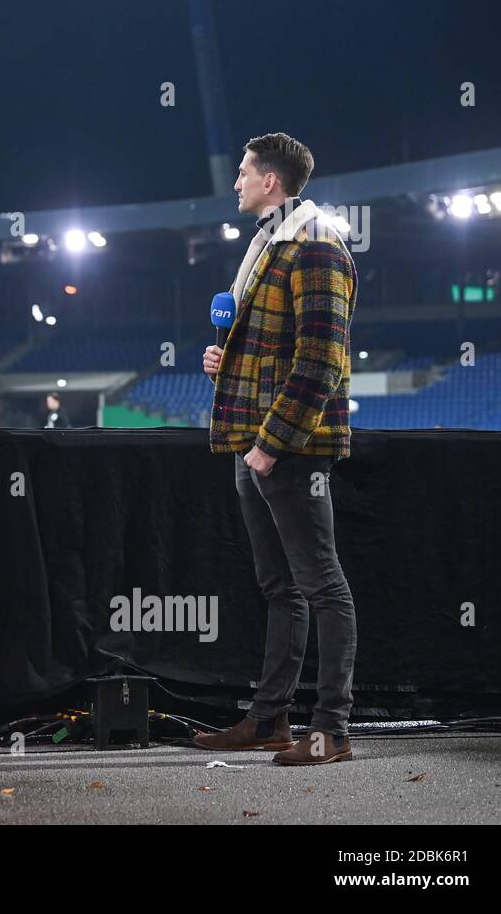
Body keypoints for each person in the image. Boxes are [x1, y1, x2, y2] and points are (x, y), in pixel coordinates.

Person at [196, 132, 359, 766]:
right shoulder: (271, 244)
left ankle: (332, 730)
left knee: (323, 586)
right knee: (281, 588)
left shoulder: (316, 246)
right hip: (256, 442)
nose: (235, 181)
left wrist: (269, 445)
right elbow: (277, 350)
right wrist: (225, 360)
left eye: (243, 172)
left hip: (286, 448)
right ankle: (270, 719)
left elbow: (322, 362)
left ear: (272, 181)